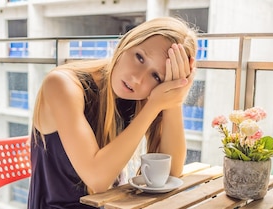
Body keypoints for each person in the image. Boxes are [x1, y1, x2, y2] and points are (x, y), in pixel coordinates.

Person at [27, 17, 198, 209]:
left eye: (156, 76)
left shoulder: (138, 98)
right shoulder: (62, 84)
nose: (137, 78)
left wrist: (174, 96)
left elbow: (170, 173)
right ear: (126, 43)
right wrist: (154, 106)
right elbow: (97, 179)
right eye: (140, 57)